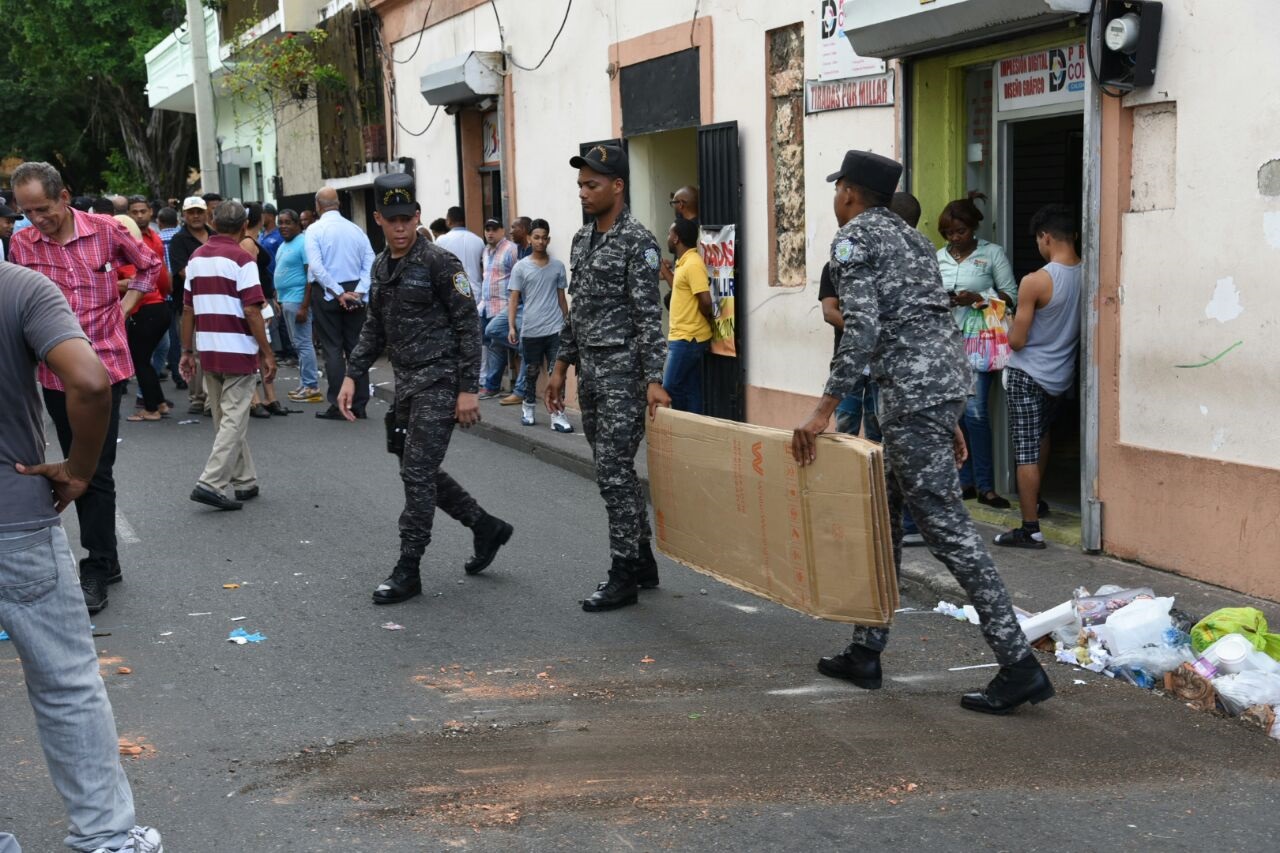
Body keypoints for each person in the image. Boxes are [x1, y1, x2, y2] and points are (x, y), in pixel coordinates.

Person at [792, 149, 1052, 715]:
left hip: (910, 400)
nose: (835, 199)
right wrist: (951, 413)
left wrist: (823, 411)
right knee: (881, 520)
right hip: (930, 391)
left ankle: (1019, 663)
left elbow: (861, 328)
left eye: (838, 190)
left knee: (947, 532)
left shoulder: (855, 239)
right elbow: (930, 319)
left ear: (851, 194)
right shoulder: (910, 239)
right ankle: (866, 649)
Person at [0, 262, 164, 853]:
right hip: (14, 514)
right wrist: (79, 471)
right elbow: (92, 382)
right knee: (65, 682)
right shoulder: (19, 287)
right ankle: (105, 838)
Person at [339, 173, 513, 604]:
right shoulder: (381, 266)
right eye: (391, 220)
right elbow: (374, 328)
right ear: (378, 219)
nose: (400, 228)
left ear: (417, 217)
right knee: (411, 464)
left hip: (440, 381)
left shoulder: (440, 263)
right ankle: (484, 525)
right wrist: (351, 373)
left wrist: (468, 390)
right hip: (408, 385)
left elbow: (468, 327)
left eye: (407, 219)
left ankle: (408, 568)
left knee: (416, 474)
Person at [9, 161, 161, 615]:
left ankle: (98, 564)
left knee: (93, 469)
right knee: (76, 460)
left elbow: (150, 267)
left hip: (106, 367)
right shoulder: (21, 244)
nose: (37, 220)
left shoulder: (105, 230)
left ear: (64, 196)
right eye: (27, 212)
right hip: (56, 373)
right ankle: (104, 559)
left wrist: (126, 306)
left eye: (43, 209)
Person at [547, 144, 670, 612]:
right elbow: (576, 313)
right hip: (591, 374)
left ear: (617, 186)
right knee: (608, 468)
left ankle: (624, 575)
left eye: (592, 184)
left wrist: (654, 378)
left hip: (624, 373)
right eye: (580, 184)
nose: (583, 192)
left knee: (614, 472)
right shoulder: (582, 240)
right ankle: (642, 558)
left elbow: (646, 318)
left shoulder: (637, 242)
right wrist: (560, 368)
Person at [994, 204, 1082, 550]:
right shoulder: (1089, 274)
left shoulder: (1036, 281)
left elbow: (1017, 340)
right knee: (1041, 435)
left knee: (1025, 451)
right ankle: (1038, 500)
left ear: (1045, 238)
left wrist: (1003, 325)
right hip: (1060, 376)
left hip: (1027, 374)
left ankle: (1030, 528)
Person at [180, 201, 275, 512]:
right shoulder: (242, 259)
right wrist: (267, 351)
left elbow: (188, 309)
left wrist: (186, 350)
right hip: (238, 349)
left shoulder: (195, 258)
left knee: (225, 420)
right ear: (244, 225)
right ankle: (211, 482)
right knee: (233, 420)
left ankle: (244, 480)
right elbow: (252, 309)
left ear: (213, 222)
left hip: (209, 348)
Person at [936, 192, 1018, 509]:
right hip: (944, 341)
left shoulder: (992, 254)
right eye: (948, 234)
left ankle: (986, 485)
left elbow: (1010, 295)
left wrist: (978, 298)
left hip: (978, 341)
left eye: (961, 232)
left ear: (973, 228)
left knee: (977, 413)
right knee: (953, 414)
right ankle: (964, 482)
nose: (955, 239)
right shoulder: (938, 257)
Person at [305, 186, 375, 420]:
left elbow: (315, 266)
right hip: (354, 291)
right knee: (356, 347)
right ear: (339, 204)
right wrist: (359, 291)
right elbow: (370, 262)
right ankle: (359, 403)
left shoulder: (314, 230)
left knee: (333, 348)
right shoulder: (356, 230)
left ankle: (338, 403)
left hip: (327, 293)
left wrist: (337, 292)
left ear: (318, 206)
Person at [506, 218, 572, 431]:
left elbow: (561, 298)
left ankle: (558, 414)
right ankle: (528, 406)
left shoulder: (558, 267)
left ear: (548, 239)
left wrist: (568, 324)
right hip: (531, 329)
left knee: (556, 374)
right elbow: (514, 299)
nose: (540, 241)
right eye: (536, 237)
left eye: (544, 238)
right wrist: (511, 326)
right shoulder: (520, 268)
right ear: (529, 238)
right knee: (531, 372)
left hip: (555, 329)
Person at [123, 196, 174, 422]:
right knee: (148, 357)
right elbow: (160, 276)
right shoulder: (150, 238)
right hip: (158, 307)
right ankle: (159, 403)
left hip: (147, 308)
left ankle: (151, 408)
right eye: (135, 212)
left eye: (143, 211)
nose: (140, 215)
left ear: (151, 212)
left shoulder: (146, 240)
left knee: (141, 359)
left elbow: (130, 280)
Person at [240, 203, 287, 419]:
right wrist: (261, 301)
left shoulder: (253, 241)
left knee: (262, 349)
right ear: (259, 219)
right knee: (256, 347)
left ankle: (269, 397)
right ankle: (256, 398)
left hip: (263, 298)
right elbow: (249, 275)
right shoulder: (248, 243)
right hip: (256, 301)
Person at [663, 216, 713, 413]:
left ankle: (683, 424)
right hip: (684, 337)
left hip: (688, 338)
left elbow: (706, 301)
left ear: (676, 238)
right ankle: (693, 429)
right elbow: (679, 289)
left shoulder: (692, 263)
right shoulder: (683, 263)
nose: (667, 237)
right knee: (691, 389)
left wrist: (702, 318)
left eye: (669, 234)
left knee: (669, 386)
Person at [168, 197, 213, 414]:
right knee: (193, 349)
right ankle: (197, 397)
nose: (195, 216)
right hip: (189, 303)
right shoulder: (179, 239)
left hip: (215, 301)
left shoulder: (215, 236)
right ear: (184, 215)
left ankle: (210, 396)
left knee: (210, 348)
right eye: (191, 212)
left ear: (206, 214)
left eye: (199, 212)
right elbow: (183, 271)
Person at [275, 209, 322, 403]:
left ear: (297, 224)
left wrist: (304, 306)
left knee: (303, 344)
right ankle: (305, 383)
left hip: (297, 300)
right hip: (286, 300)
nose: (283, 226)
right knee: (298, 344)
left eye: (288, 222)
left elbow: (310, 276)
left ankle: (311, 386)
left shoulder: (303, 243)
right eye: (281, 222)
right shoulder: (284, 245)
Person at [479, 218, 525, 402]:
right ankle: (492, 385)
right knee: (491, 344)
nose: (490, 233)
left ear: (502, 231)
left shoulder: (511, 249)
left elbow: (520, 276)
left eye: (494, 229)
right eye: (487, 229)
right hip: (486, 306)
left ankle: (491, 385)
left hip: (504, 306)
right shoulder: (485, 250)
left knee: (496, 341)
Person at [154, 206, 186, 389]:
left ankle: (174, 369)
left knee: (170, 334)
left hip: (163, 293)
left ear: (159, 221)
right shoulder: (182, 238)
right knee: (183, 331)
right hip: (182, 291)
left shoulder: (156, 239)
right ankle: (181, 372)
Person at [434, 206, 484, 286]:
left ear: (449, 221)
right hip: (475, 290)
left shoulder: (441, 241)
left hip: (452, 291)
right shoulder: (478, 240)